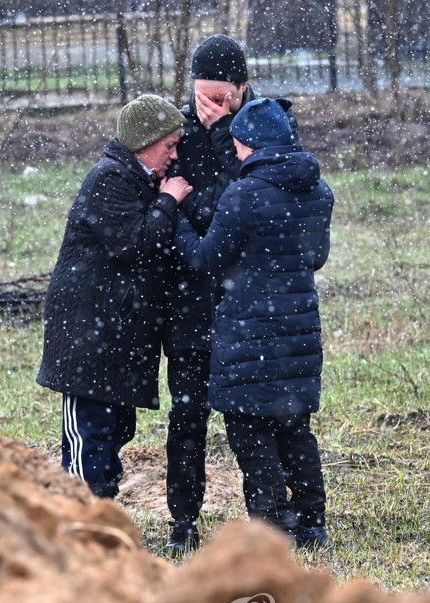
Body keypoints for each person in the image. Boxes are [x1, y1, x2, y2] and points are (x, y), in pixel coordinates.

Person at [173, 97, 334, 549]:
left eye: (239, 147)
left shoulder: (242, 196)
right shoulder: (318, 191)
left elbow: (205, 259)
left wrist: (180, 218)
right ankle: (312, 523)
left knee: (250, 431)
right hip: (299, 332)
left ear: (249, 145)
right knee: (295, 429)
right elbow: (315, 257)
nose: (237, 155)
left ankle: (271, 525)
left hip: (249, 332)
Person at [37, 94, 192, 498]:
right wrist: (168, 200)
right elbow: (136, 244)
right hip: (88, 336)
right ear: (144, 142)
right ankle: (81, 516)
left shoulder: (135, 178)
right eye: (169, 145)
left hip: (111, 334)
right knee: (90, 433)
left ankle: (98, 509)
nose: (174, 156)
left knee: (115, 427)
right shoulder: (110, 179)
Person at [158, 34, 261, 557]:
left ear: (243, 89)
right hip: (189, 303)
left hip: (243, 306)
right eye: (204, 98)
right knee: (187, 415)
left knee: (252, 417)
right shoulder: (177, 135)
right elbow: (181, 206)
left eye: (222, 98)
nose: (210, 110)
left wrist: (224, 132)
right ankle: (183, 520)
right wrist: (200, 213)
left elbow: (238, 206)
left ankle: (270, 519)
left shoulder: (262, 130)